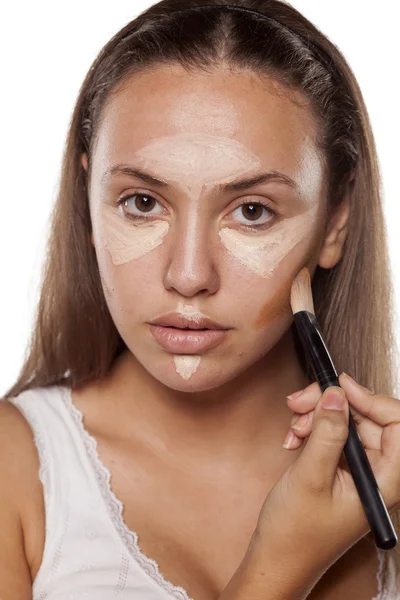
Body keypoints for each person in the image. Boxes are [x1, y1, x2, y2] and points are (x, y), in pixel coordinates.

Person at [1, 1, 399, 598]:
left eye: (252, 211)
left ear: (335, 222)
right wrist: (278, 569)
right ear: (87, 198)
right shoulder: (14, 473)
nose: (188, 275)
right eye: (141, 202)